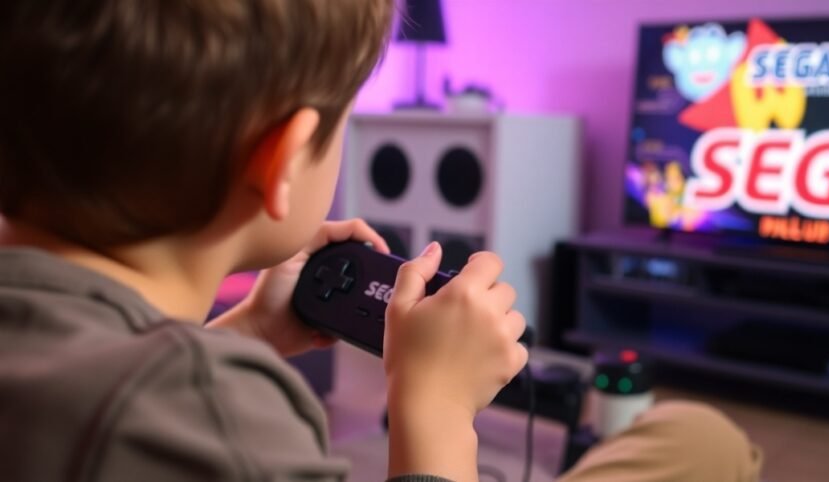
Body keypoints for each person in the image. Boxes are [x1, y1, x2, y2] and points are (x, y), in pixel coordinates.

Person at [0, 1, 761, 481]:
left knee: (693, 433)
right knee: (705, 442)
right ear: (284, 160)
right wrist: (433, 409)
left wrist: (251, 333)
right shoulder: (220, 414)